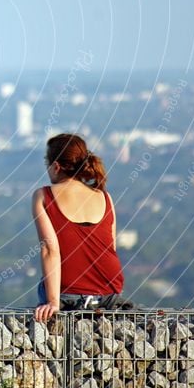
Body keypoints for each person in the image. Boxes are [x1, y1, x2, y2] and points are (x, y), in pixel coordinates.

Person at [33, 133, 131, 321]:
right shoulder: (105, 197)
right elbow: (111, 248)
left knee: (43, 285)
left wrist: (53, 302)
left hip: (69, 294)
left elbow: (49, 250)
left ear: (56, 167)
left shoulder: (43, 196)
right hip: (110, 294)